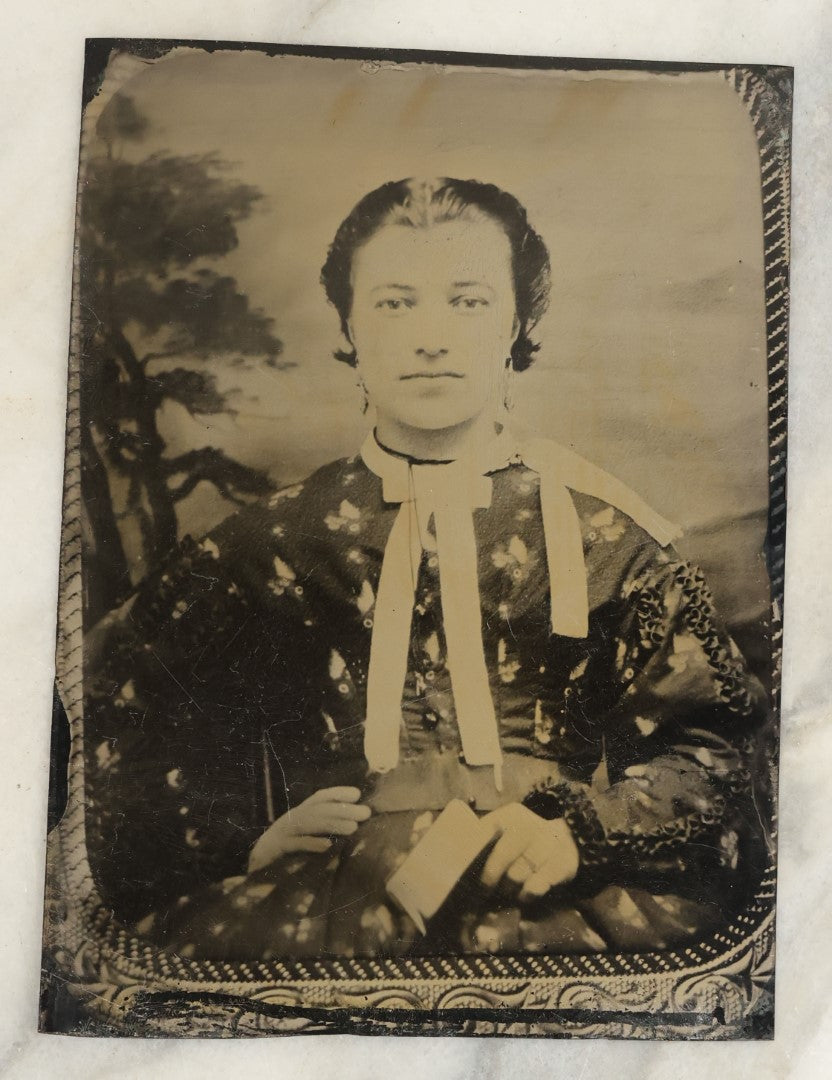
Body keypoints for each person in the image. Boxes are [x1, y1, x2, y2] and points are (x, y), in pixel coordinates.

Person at [84, 177, 771, 960]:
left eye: (469, 301)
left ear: (518, 320)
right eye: (395, 303)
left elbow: (715, 748)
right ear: (348, 321)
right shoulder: (264, 544)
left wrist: (585, 834)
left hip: (559, 900)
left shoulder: (606, 539)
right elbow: (112, 734)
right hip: (324, 911)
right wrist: (237, 837)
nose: (430, 337)